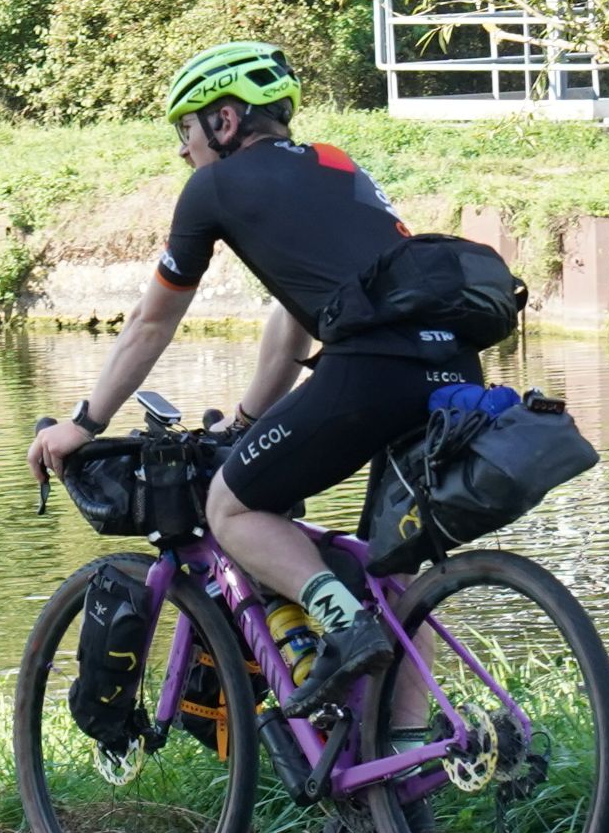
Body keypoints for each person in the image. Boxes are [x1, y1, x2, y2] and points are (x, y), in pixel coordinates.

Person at [24, 39, 477, 709]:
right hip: (454, 367)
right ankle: (406, 781)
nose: (182, 149)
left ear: (226, 121)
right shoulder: (335, 166)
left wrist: (84, 423)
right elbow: (299, 314)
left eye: (186, 128)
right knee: (395, 572)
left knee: (231, 506)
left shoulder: (211, 187)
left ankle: (343, 622)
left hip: (374, 372)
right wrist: (245, 423)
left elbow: (153, 322)